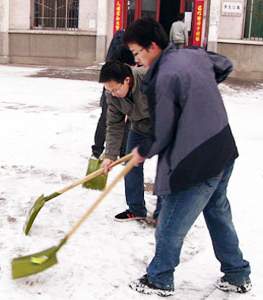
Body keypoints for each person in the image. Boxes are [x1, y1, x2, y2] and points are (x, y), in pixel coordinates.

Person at [122, 16, 251, 297]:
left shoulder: (165, 76)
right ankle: (237, 273)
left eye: (137, 53)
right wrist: (198, 89)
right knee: (217, 213)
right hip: (222, 148)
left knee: (169, 225)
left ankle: (159, 280)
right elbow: (224, 65)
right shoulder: (192, 55)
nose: (137, 60)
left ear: (152, 46)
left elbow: (163, 130)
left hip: (198, 160)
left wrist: (142, 152)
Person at [98, 61, 156, 222]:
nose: (113, 93)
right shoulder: (111, 94)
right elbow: (114, 124)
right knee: (131, 165)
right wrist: (109, 156)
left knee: (166, 169)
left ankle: (162, 213)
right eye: (109, 90)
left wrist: (151, 145)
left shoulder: (150, 79)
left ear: (127, 80)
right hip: (139, 126)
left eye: (116, 89)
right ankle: (136, 209)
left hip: (165, 126)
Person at [91, 29, 135, 159]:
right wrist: (110, 156)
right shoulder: (124, 49)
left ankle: (121, 151)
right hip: (117, 82)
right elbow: (115, 125)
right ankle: (102, 150)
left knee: (128, 119)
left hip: (123, 84)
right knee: (110, 118)